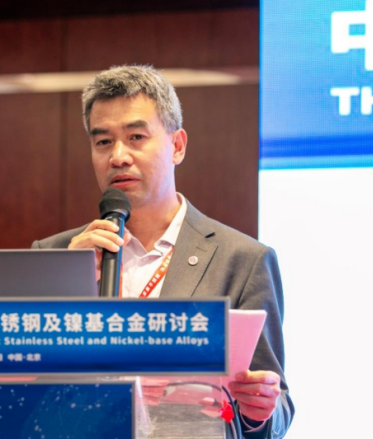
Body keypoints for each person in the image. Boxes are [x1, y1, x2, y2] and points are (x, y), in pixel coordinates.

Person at [32, 65, 294, 438]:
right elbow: (24, 401)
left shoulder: (242, 260)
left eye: (136, 137)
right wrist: (68, 286)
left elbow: (275, 408)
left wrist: (260, 411)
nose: (118, 156)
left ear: (177, 146)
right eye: (103, 142)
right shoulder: (56, 256)